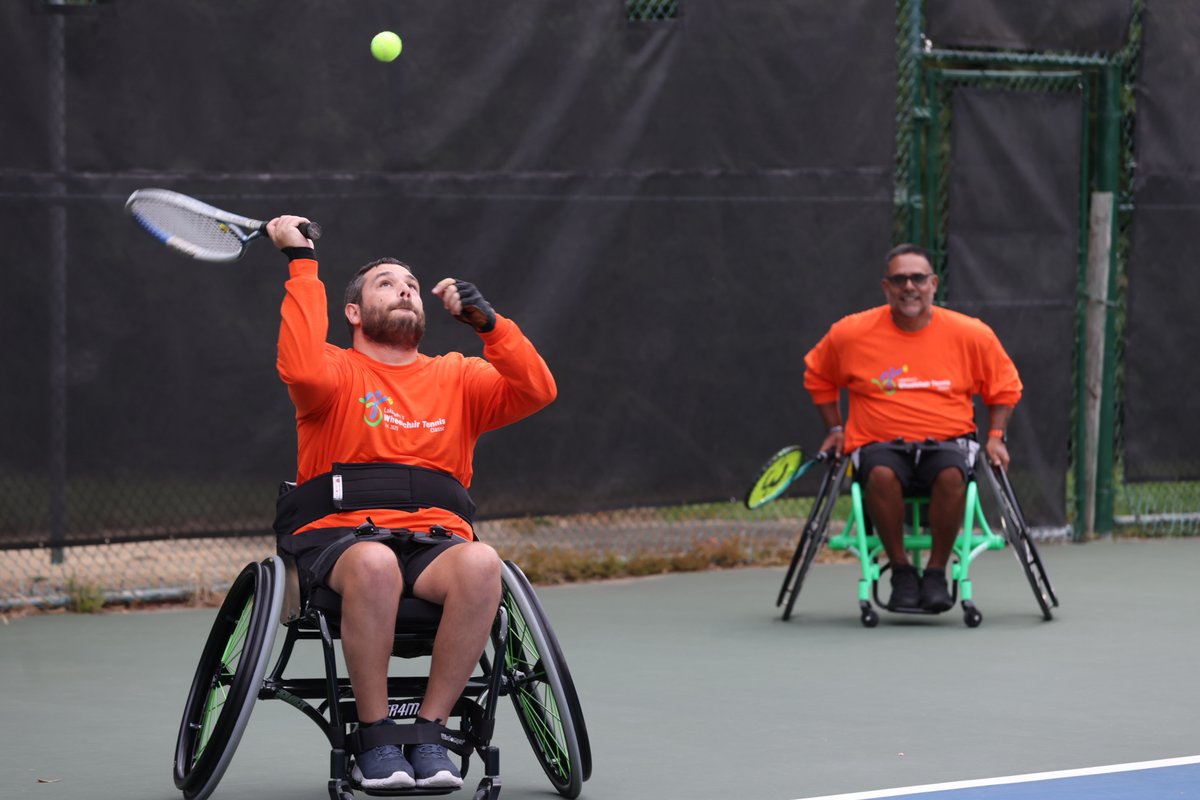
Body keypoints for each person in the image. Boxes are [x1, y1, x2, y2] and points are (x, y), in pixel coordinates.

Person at [265, 215, 557, 790]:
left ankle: (428, 734)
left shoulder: (460, 376)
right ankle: (373, 739)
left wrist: (491, 327)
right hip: (342, 543)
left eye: (409, 283)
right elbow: (296, 364)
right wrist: (301, 262)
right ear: (353, 313)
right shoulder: (333, 370)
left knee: (482, 562)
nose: (403, 287)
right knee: (374, 563)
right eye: (385, 283)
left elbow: (536, 390)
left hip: (434, 547)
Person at [803, 243, 1022, 613]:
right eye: (899, 279)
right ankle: (902, 572)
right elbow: (818, 376)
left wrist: (996, 437)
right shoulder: (850, 333)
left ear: (933, 284)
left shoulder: (971, 334)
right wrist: (836, 428)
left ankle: (936, 573)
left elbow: (1005, 386)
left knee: (953, 475)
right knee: (883, 474)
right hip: (879, 444)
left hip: (948, 442)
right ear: (885, 287)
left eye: (918, 278)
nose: (909, 286)